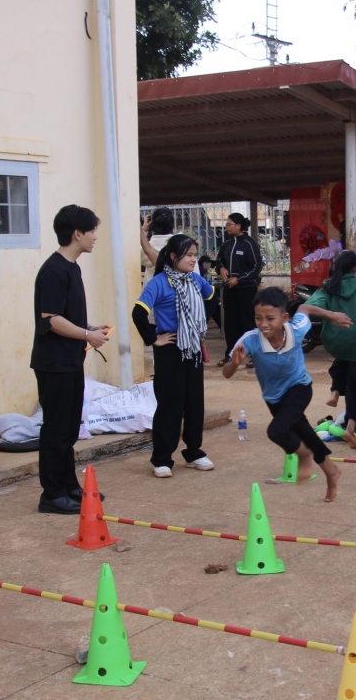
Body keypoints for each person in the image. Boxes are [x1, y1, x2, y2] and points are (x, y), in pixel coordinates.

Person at [223, 287, 342, 502]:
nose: (263, 324)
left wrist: (331, 315)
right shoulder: (250, 340)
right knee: (305, 433)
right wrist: (234, 364)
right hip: (273, 398)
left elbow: (304, 307)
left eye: (270, 318)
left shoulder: (295, 329)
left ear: (284, 317)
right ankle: (331, 471)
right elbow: (227, 374)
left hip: (299, 388)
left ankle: (304, 457)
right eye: (258, 318)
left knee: (277, 431)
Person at [32, 205, 111, 514]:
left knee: (68, 428)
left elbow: (65, 316)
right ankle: (51, 493)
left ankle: (68, 486)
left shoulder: (72, 267)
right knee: (55, 428)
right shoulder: (53, 270)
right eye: (92, 232)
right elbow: (50, 319)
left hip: (70, 360)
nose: (95, 238)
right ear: (77, 234)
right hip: (53, 363)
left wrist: (89, 328)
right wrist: (86, 335)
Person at [132, 233, 215, 477]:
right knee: (170, 404)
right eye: (188, 255)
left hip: (193, 348)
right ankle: (162, 458)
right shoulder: (159, 282)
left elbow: (212, 297)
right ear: (172, 256)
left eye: (194, 255)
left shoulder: (196, 281)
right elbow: (138, 313)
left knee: (194, 402)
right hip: (169, 349)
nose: (193, 260)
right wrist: (153, 338)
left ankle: (193, 452)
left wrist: (199, 325)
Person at [298, 250, 356, 448]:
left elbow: (303, 309)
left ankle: (335, 392)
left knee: (341, 359)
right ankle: (351, 428)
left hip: (335, 341)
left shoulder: (328, 288)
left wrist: (330, 315)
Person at [217, 212, 263, 367]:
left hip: (246, 289)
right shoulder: (226, 244)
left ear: (238, 226)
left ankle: (255, 356)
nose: (227, 227)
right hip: (230, 289)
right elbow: (218, 261)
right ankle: (230, 355)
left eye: (229, 224)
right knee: (230, 323)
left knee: (248, 322)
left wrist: (240, 279)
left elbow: (256, 267)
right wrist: (221, 268)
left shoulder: (250, 244)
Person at [138, 207, 173, 272]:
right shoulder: (181, 245)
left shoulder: (147, 248)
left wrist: (143, 230)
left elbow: (136, 251)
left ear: (152, 225)